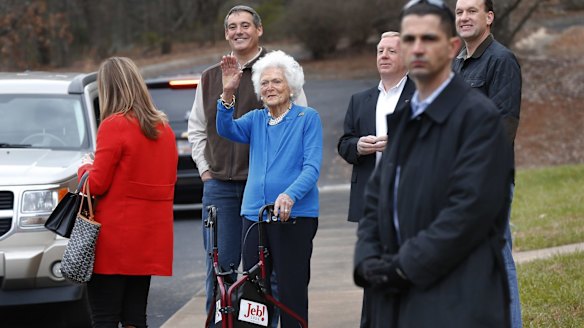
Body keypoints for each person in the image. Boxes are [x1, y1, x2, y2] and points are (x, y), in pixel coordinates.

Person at [353, 1, 514, 327]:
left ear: (452, 46)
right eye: (410, 40)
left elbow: (468, 212)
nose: (418, 48)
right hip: (392, 301)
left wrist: (402, 267)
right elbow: (375, 200)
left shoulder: (479, 120)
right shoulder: (406, 118)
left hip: (455, 301)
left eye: (429, 38)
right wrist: (366, 260)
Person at [187, 5, 307, 315]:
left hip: (263, 192)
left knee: (264, 272)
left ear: (259, 30)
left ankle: (264, 324)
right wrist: (205, 172)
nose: (238, 31)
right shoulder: (210, 77)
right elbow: (197, 129)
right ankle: (219, 324)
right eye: (232, 27)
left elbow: (299, 126)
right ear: (226, 33)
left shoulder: (278, 70)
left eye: (245, 25)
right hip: (220, 190)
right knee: (220, 270)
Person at [216, 50, 322, 327]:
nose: (270, 87)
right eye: (264, 83)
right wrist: (228, 92)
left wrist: (290, 194)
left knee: (291, 290)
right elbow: (225, 128)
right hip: (254, 216)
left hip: (294, 216)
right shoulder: (256, 119)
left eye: (276, 81)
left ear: (291, 86)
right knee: (253, 291)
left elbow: (311, 168)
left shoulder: (307, 118)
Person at [78, 57, 177, 328]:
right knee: (135, 318)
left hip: (113, 241)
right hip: (148, 240)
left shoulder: (114, 125)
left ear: (108, 88)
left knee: (105, 317)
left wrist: (85, 167)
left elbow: (95, 185)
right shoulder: (164, 129)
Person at [337, 31, 414, 327]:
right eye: (380, 50)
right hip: (370, 201)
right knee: (371, 270)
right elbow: (344, 143)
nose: (383, 55)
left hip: (407, 198)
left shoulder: (421, 96)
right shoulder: (360, 100)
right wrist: (357, 146)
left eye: (391, 51)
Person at [452, 1, 523, 325]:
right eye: (459, 12)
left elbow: (503, 128)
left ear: (489, 17)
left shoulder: (501, 60)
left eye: (472, 10)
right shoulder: (456, 65)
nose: (464, 17)